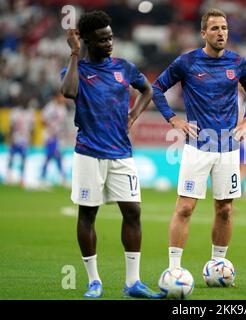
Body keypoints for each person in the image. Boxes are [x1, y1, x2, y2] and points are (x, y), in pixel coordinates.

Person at [60, 10, 163, 299]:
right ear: (88, 40)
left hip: (121, 153)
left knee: (133, 212)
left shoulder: (124, 67)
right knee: (87, 215)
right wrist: (74, 55)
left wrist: (133, 115)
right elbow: (68, 92)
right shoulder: (77, 69)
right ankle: (94, 281)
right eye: (103, 39)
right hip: (88, 153)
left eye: (110, 38)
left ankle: (133, 283)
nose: (109, 43)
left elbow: (147, 90)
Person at [152, 8, 246, 273]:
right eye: (215, 28)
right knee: (186, 207)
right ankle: (175, 268)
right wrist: (172, 119)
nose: (221, 32)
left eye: (224, 28)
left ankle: (218, 264)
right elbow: (156, 88)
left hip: (228, 148)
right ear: (203, 33)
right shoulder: (186, 62)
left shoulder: (238, 63)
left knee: (224, 209)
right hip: (197, 146)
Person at [40, 92, 68, 186]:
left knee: (53, 156)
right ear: (56, 97)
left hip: (58, 137)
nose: (63, 99)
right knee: (53, 155)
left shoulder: (63, 109)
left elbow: (63, 124)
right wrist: (50, 127)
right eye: (61, 97)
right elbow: (42, 120)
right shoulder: (50, 107)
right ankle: (61, 178)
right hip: (50, 136)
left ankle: (43, 177)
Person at [6, 100, 35, 187]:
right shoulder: (15, 112)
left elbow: (32, 128)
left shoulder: (30, 113)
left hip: (24, 140)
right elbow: (11, 126)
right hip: (15, 139)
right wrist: (10, 138)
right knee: (11, 158)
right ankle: (9, 177)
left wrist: (31, 139)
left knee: (23, 159)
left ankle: (21, 179)